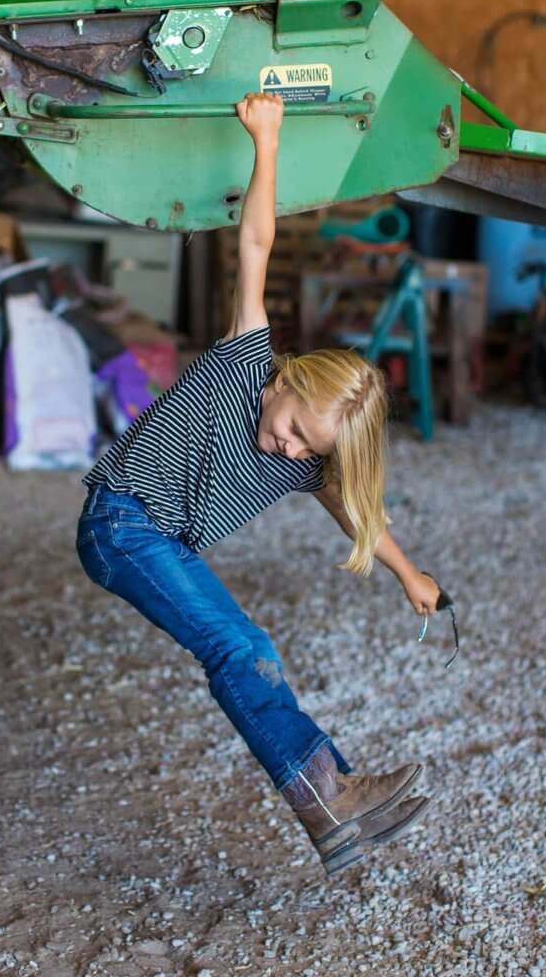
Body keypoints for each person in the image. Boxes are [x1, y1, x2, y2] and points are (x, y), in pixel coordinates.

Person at [76, 91, 442, 877]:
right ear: (283, 382)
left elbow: (357, 513)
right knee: (241, 646)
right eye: (289, 427)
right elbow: (256, 244)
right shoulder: (245, 361)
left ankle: (334, 792)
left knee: (245, 647)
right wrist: (266, 141)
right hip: (120, 522)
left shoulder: (307, 462)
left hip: (158, 538)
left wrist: (409, 574)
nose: (282, 447)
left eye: (302, 449)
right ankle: (326, 798)